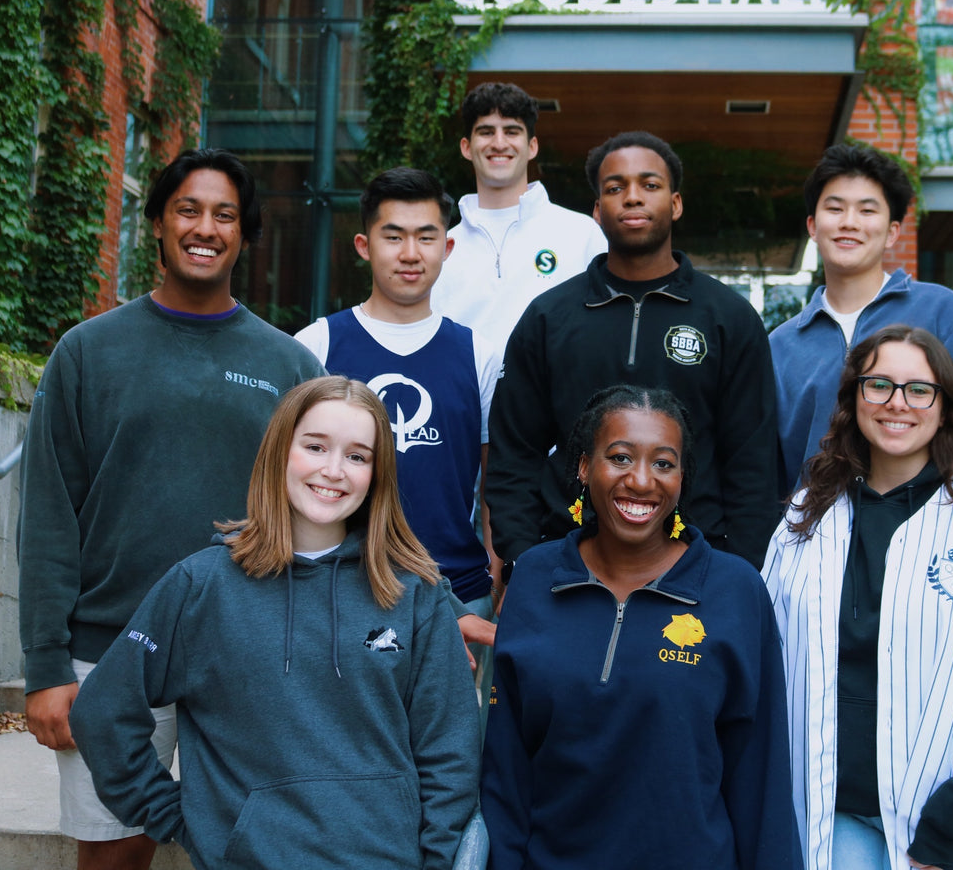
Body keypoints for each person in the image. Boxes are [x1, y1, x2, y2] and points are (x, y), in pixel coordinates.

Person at [17, 148, 326, 869]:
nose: (205, 228)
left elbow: (323, 512)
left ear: (244, 234)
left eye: (224, 215)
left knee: (262, 848)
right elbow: (49, 515)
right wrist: (46, 667)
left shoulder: (290, 367)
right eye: (188, 209)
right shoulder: (87, 352)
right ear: (157, 222)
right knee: (115, 854)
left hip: (252, 650)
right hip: (112, 650)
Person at [71, 377, 479, 870]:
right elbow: (103, 711)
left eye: (357, 456)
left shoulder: (413, 592)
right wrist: (177, 818)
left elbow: (449, 753)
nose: (334, 470)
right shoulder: (201, 585)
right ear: (280, 450)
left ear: (377, 474)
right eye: (315, 446)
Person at [761, 325, 953, 870]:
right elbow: (768, 663)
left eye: (918, 389)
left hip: (945, 820)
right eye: (878, 385)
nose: (897, 404)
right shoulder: (806, 515)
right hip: (828, 812)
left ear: (945, 404)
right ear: (854, 398)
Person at [482, 385, 800, 870]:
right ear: (584, 467)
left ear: (682, 477)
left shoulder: (735, 591)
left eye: (664, 463)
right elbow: (505, 768)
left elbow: (761, 775)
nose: (642, 480)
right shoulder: (534, 578)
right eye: (621, 457)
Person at [486, 131, 781, 575]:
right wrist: (524, 560)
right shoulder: (549, 317)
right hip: (566, 567)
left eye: (649, 184)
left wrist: (738, 573)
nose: (632, 197)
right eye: (615, 187)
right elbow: (514, 455)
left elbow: (753, 463)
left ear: (676, 203)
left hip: (698, 567)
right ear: (597, 210)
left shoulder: (729, 319)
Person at [295, 167, 503, 661]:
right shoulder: (316, 345)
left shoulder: (480, 355)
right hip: (338, 587)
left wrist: (497, 571)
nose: (411, 253)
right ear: (365, 246)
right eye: (394, 236)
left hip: (458, 593)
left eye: (426, 237)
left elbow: (495, 481)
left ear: (447, 248)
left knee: (449, 738)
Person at [770, 143, 953, 495]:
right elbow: (773, 466)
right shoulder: (780, 346)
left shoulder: (943, 312)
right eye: (835, 208)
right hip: (817, 535)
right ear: (812, 226)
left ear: (892, 231)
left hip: (932, 531)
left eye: (867, 210)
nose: (849, 223)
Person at [430, 81, 606, 348]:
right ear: (466, 147)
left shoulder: (582, 234)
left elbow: (605, 329)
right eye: (486, 132)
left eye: (511, 131)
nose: (499, 143)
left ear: (532, 147)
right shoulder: (439, 248)